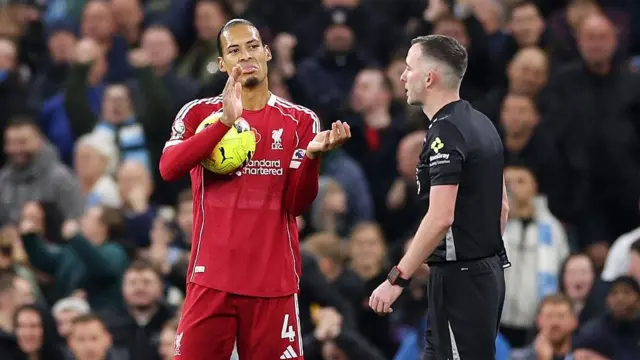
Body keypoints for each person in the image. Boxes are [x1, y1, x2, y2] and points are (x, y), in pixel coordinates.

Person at [158, 18, 351, 360]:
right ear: (222, 64)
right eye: (234, 50)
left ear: (267, 52)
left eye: (252, 46)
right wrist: (223, 123)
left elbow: (296, 203)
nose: (245, 55)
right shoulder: (200, 113)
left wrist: (310, 158)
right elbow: (169, 168)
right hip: (211, 279)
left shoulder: (301, 121)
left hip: (273, 283)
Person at [368, 34, 510, 360]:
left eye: (409, 68)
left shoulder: (446, 131)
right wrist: (481, 255)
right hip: (483, 273)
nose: (403, 77)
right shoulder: (483, 122)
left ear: (429, 77)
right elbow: (502, 205)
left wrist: (396, 279)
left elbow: (441, 216)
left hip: (459, 279)